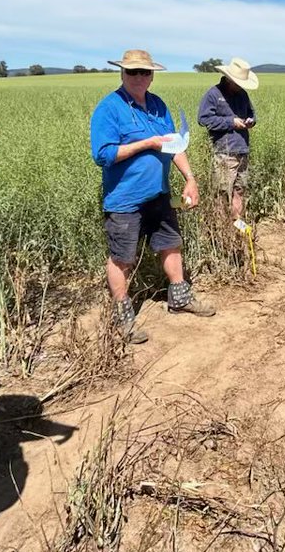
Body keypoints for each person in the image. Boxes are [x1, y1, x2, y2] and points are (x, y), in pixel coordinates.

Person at [91, 49, 215, 345]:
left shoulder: (158, 106)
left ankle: (180, 298)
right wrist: (145, 143)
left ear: (152, 75)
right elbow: (103, 154)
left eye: (144, 72)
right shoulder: (109, 108)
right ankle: (123, 320)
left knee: (171, 245)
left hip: (159, 194)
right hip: (124, 200)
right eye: (132, 72)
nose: (139, 77)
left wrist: (190, 178)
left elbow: (174, 145)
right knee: (122, 258)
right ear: (122, 73)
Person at [197, 57, 258, 222]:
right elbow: (203, 119)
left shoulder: (243, 94)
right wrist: (230, 122)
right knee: (222, 191)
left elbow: (252, 114)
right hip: (224, 152)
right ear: (229, 77)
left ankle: (236, 223)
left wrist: (250, 121)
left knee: (240, 189)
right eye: (237, 82)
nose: (240, 85)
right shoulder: (213, 94)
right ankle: (221, 228)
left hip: (243, 150)